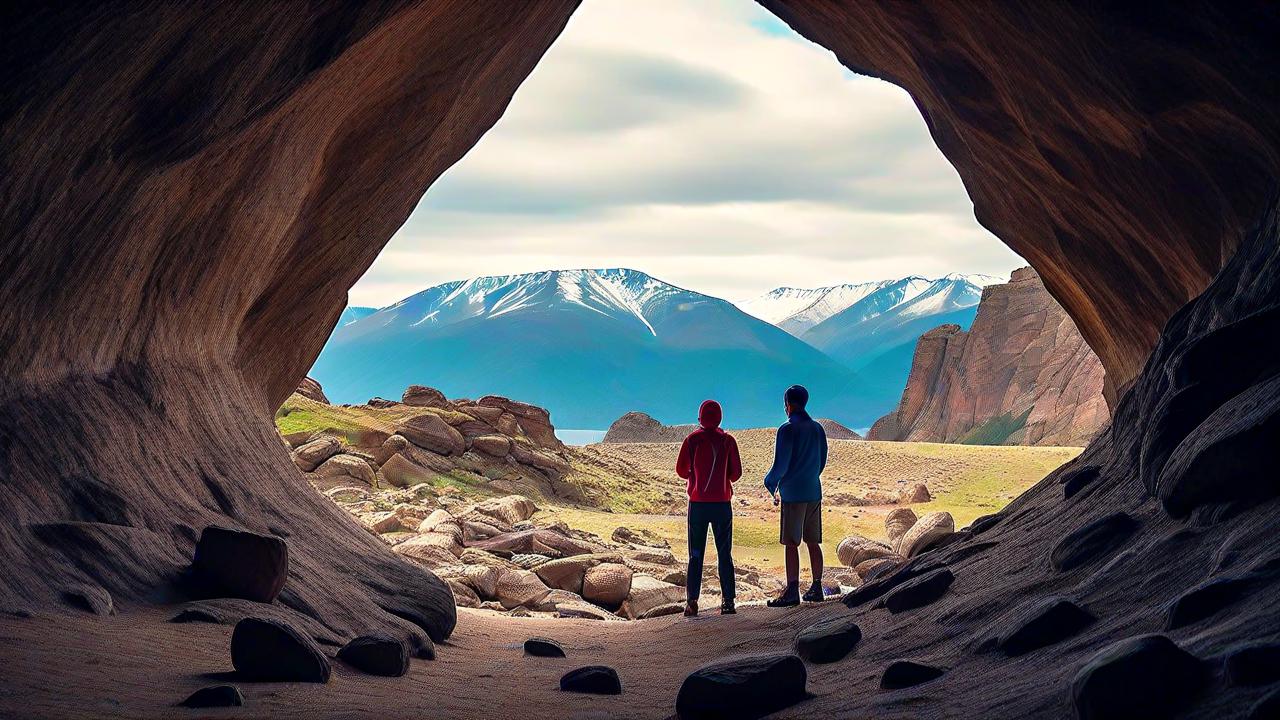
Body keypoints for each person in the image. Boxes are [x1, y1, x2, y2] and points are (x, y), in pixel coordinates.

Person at [675, 399, 742, 617]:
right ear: (720, 417)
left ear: (701, 417)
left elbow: (680, 470)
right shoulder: (728, 441)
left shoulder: (692, 440)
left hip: (698, 504)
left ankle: (692, 602)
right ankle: (728, 602)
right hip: (722, 503)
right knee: (725, 554)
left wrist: (694, 476)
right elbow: (736, 474)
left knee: (695, 554)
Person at [763, 384, 828, 607]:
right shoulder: (818, 429)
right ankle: (816, 587)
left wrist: (770, 483)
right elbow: (822, 461)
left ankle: (792, 591)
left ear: (788, 404)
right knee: (812, 541)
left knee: (791, 542)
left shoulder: (787, 430)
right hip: (814, 491)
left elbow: (780, 465)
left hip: (793, 493)